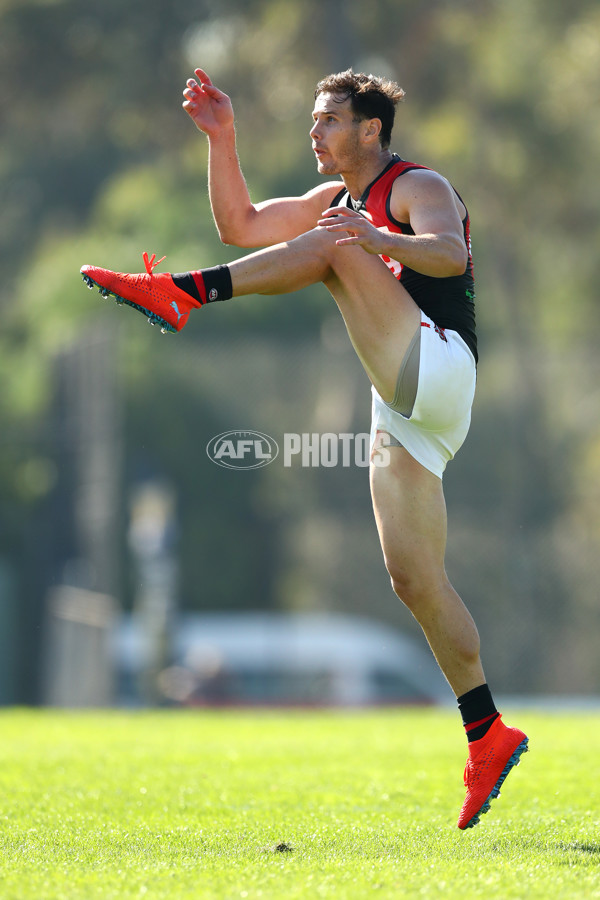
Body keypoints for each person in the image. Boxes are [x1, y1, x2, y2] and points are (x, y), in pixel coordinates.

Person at [80, 66, 528, 829]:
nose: (314, 131)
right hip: (403, 398)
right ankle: (488, 733)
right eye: (314, 119)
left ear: (370, 131)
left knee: (329, 248)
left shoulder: (419, 186)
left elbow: (449, 255)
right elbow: (243, 225)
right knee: (413, 579)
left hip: (442, 365)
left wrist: (371, 236)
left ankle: (181, 293)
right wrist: (222, 138)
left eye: (328, 120)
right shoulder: (334, 205)